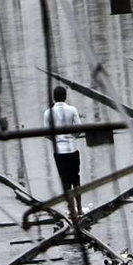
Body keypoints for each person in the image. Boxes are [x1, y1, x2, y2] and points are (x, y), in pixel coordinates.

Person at [44, 85, 83, 216]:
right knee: (76, 178)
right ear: (65, 97)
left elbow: (47, 133)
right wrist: (73, 138)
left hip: (59, 152)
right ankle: (80, 208)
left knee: (65, 180)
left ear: (54, 98)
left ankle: (72, 210)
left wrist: (56, 140)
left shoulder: (48, 112)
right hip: (72, 149)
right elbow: (79, 128)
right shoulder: (72, 110)